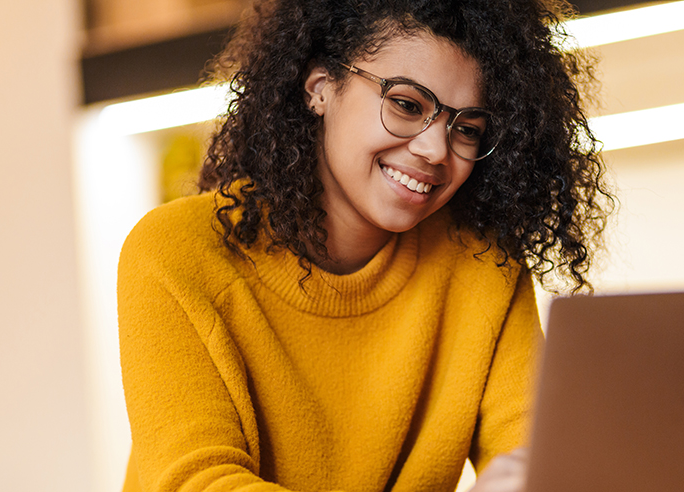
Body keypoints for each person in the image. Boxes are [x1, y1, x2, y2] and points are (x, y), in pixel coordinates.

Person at [117, 0, 612, 491]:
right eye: (406, 105)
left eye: (466, 129)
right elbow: (199, 483)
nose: (435, 150)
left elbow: (537, 460)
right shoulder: (175, 252)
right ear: (319, 89)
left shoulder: (485, 266)